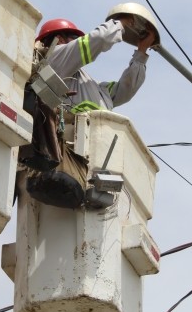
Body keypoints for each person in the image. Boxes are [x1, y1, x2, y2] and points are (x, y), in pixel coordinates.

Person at [20, 14, 156, 209]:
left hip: (95, 158)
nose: (76, 42)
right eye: (73, 38)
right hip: (74, 153)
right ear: (57, 40)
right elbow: (98, 39)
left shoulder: (89, 85)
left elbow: (125, 90)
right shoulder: (54, 61)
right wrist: (121, 23)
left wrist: (141, 53)